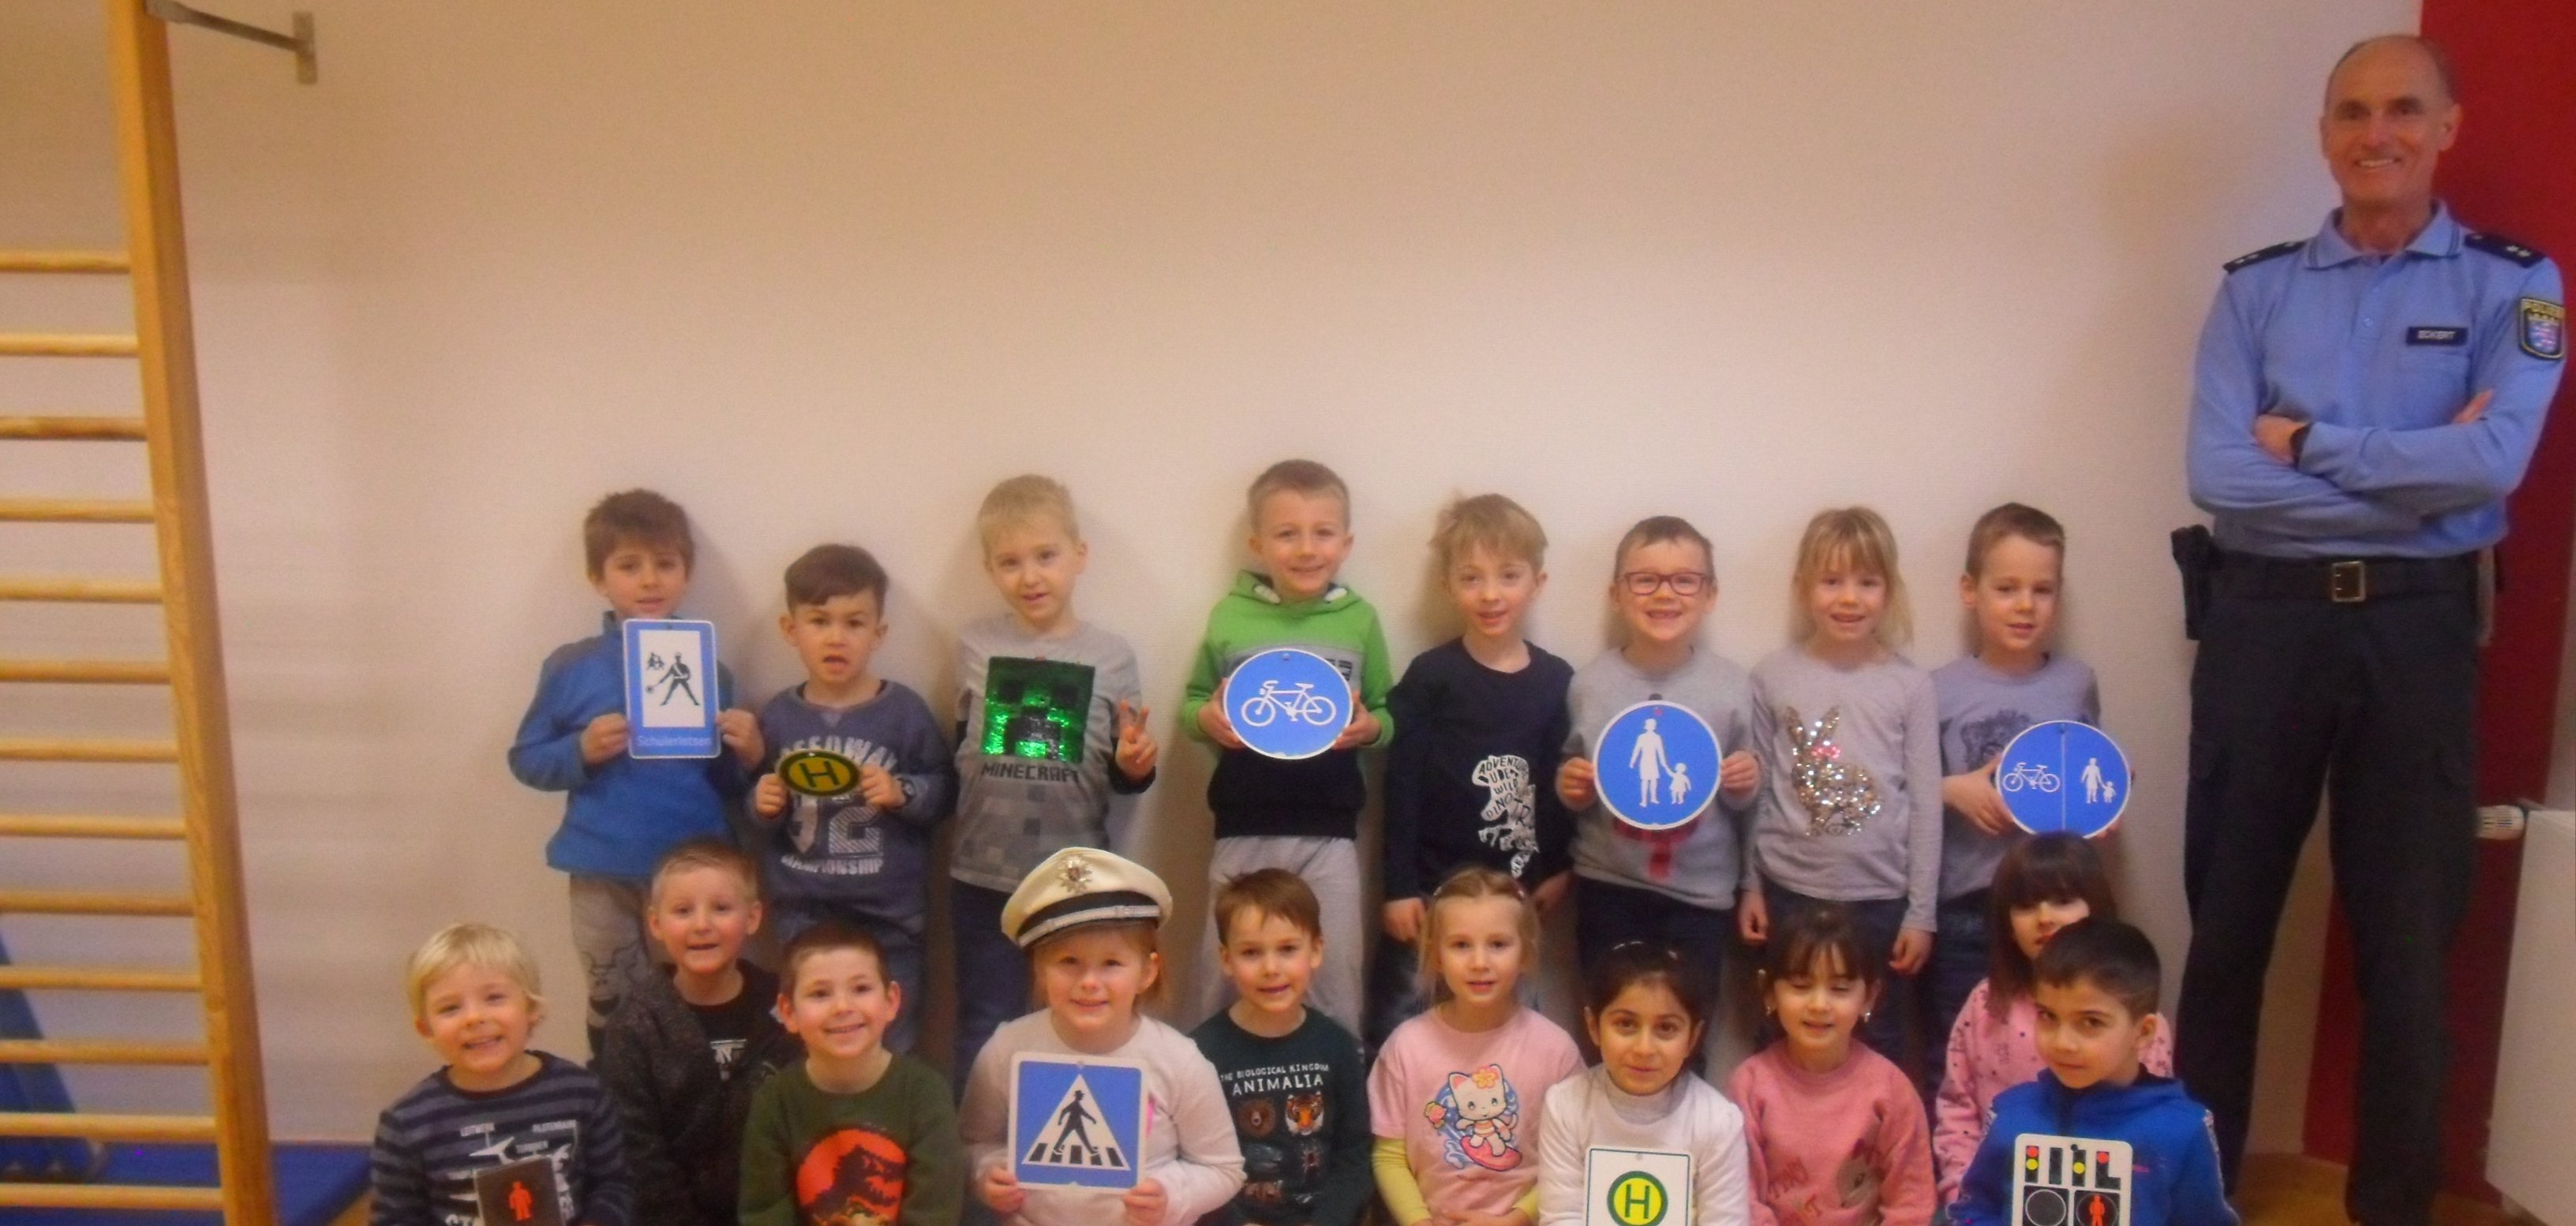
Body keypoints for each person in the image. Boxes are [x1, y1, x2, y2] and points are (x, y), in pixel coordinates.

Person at [2177, 34, 2565, 1226]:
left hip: (2416, 635)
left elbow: (2495, 467)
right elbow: (2219, 477)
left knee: (2408, 942)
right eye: (2352, 112)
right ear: (2324, 133)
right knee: (2226, 927)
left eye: (2403, 109)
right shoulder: (2256, 289)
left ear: (2447, 127)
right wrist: (2421, 479)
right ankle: (2197, 1192)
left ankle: (2391, 1207)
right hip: (2264, 625)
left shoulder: (2515, 285)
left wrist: (2315, 445)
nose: (2376, 133)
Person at [507, 490, 764, 1049]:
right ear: (598, 578)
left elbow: (725, 784)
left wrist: (747, 754)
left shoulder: (710, 669)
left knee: (700, 996)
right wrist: (580, 750)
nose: (649, 580)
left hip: (694, 869)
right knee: (615, 1002)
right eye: (629, 566)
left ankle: (704, 1097)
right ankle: (615, 1099)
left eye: (665, 564)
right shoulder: (571, 666)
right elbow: (526, 759)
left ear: (686, 574)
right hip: (603, 867)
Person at [950, 475, 1159, 1079]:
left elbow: (1124, 771)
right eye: (1010, 562)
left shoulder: (1112, 655)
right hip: (982, 873)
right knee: (985, 1022)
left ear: (1079, 555)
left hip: (1074, 878)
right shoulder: (975, 645)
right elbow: (959, 749)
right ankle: (977, 1138)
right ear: (990, 570)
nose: (1030, 577)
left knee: (1076, 1018)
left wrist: (1136, 766)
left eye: (1046, 556)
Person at [1181, 459, 1395, 1033]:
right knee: (1226, 970)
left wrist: (1370, 729)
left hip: (1329, 831)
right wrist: (1206, 718)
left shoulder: (1360, 621)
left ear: (1346, 544)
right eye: (1286, 534)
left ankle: (1342, 1076)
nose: (1306, 549)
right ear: (1258, 544)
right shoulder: (1230, 616)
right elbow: (1193, 702)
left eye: (1323, 533)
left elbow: (1385, 710)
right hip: (1242, 825)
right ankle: (1210, 1073)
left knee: (1334, 971)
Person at [1743, 507, 1941, 1079]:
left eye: (1867, 582)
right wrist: (1750, 885)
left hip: (1880, 902)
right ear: (1803, 587)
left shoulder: (1911, 686)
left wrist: (1921, 913)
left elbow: (1926, 804)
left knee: (1877, 1039)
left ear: (1889, 590)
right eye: (1832, 581)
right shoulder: (1772, 676)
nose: (1849, 598)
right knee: (1782, 1036)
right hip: (1788, 893)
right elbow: (1756, 791)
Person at [1375, 494, 1574, 1049]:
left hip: (1515, 895)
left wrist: (1559, 866)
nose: (1490, 594)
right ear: (1448, 585)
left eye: (1509, 575)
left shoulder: (1557, 681)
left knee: (1514, 1029)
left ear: (1537, 582)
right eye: (1471, 578)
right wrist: (1398, 887)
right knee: (1399, 1022)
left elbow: (1558, 784)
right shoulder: (1431, 676)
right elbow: (1402, 784)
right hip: (1429, 896)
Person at [961, 848, 1245, 1226]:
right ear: (1039, 970)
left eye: (1112, 963)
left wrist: (1171, 1195)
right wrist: (987, 1172)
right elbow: (971, 1143)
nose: (1089, 982)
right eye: (1068, 962)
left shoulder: (1180, 1061)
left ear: (1147, 972)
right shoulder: (1006, 1051)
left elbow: (1224, 1168)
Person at [748, 544, 957, 1055]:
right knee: (811, 1041)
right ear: (790, 629)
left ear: (878, 634)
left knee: (890, 1043)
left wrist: (903, 792)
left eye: (854, 623)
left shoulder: (904, 712)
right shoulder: (778, 717)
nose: (836, 637)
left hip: (889, 917)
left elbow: (946, 790)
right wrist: (762, 802)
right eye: (819, 621)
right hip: (804, 913)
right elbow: (757, 808)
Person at [1554, 517, 1762, 1014]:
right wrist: (1571, 787)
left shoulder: (1733, 686)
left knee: (1687, 1021)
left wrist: (1744, 783)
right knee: (1609, 1016)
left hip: (1701, 894)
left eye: (1684, 580)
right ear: (1616, 594)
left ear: (1710, 594)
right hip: (1609, 883)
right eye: (1645, 580)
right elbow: (1571, 778)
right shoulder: (1589, 685)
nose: (1664, 594)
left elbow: (1748, 803)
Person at [1926, 504, 2101, 1056]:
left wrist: (2104, 806)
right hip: (1969, 905)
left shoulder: (2076, 683)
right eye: (2006, 589)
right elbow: (1904, 788)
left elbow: (2090, 781)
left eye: (2042, 590)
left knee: (2056, 1049)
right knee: (1959, 1052)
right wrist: (1951, 790)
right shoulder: (1937, 689)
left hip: (2058, 906)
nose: (2025, 605)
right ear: (1970, 590)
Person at [1931, 835, 2172, 1205]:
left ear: (2095, 909)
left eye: (2062, 901)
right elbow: (1957, 1110)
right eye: (2026, 905)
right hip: (1995, 1198)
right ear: (2008, 925)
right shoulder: (1985, 1004)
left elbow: (2153, 1125)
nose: (2045, 918)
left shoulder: (2134, 1017)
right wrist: (1963, 1193)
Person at [1949, 921, 2234, 1226]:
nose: (2063, 1042)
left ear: (2143, 1032)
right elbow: (1973, 1210)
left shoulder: (2183, 1129)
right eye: (2048, 1016)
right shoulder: (2011, 1113)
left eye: (2091, 1022)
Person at [370, 923, 630, 1226]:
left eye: (494, 998)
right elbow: (394, 1219)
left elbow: (615, 1185)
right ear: (426, 1029)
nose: (474, 1017)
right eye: (450, 1008)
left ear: (531, 1007)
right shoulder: (406, 1124)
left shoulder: (582, 1093)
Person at [598, 840, 797, 1226]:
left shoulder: (785, 1011)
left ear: (752, 918)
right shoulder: (634, 1026)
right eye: (682, 911)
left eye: (721, 908)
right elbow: (639, 1154)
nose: (702, 925)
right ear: (656, 924)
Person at [1369, 867, 1582, 1226]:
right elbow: (1389, 1156)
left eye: (1498, 945)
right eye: (1461, 945)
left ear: (1525, 953)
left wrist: (1516, 1219)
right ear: (1437, 956)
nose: (1480, 963)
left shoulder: (1557, 1052)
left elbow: (1573, 1158)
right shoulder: (1405, 1047)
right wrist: (1419, 1222)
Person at [738, 922, 962, 1226]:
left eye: (861, 989)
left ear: (891, 1001)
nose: (843, 1007)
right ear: (788, 1012)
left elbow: (934, 1215)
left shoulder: (926, 1094)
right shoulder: (775, 1101)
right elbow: (764, 1214)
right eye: (820, 994)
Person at [1727, 903, 1934, 1226]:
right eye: (1801, 986)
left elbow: (1912, 1203)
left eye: (1839, 989)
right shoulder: (1749, 1085)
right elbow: (1742, 1197)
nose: (1819, 1004)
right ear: (1769, 992)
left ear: (1869, 996)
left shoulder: (1892, 1089)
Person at [1192, 869, 1374, 1226]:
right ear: (1226, 960)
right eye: (1251, 953)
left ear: (1316, 950)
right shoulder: (1200, 1053)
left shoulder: (1337, 1046)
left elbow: (1354, 1157)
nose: (1271, 968)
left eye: (1288, 949)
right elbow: (1195, 1159)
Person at [1534, 941, 1750, 1226]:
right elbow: (1561, 1217)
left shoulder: (1719, 1121)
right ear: (1594, 1026)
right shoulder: (1565, 1106)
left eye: (1666, 1028)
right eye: (1626, 1024)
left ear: (1692, 1037)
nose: (1644, 1049)